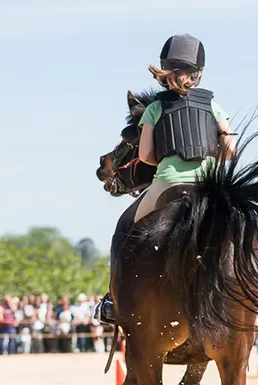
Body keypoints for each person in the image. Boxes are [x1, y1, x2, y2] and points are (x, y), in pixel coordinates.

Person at [95, 33, 237, 325]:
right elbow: (230, 152)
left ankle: (112, 299)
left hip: (167, 186)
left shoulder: (154, 108)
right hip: (210, 190)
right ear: (198, 74)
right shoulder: (212, 106)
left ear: (164, 70)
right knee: (236, 234)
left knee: (125, 228)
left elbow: (146, 156)